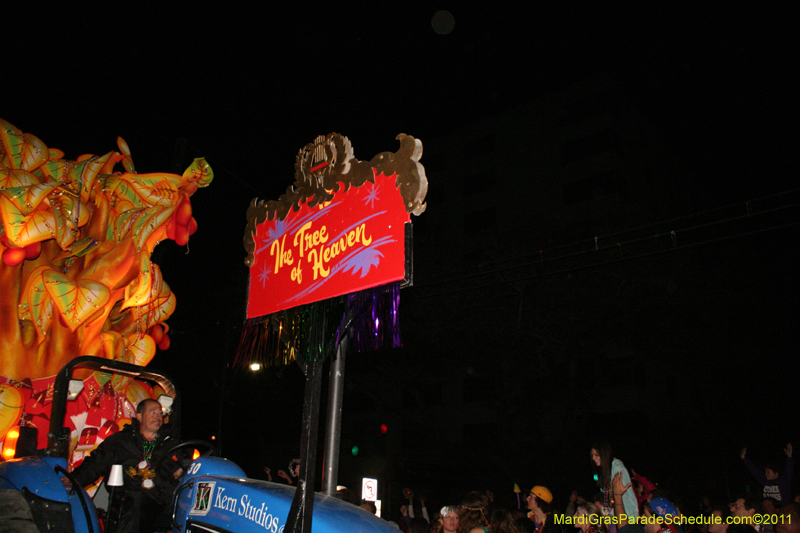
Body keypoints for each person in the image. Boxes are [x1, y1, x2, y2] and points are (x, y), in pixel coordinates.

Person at [68, 398, 183, 533]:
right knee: (137, 505)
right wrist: (73, 479)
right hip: (131, 496)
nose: (158, 417)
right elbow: (95, 463)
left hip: (164, 498)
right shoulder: (120, 441)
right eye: (152, 412)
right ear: (139, 416)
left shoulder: (172, 444)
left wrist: (182, 470)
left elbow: (186, 466)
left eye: (160, 413)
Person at [592, 442, 639, 519]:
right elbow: (605, 498)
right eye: (592, 455)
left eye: (596, 455)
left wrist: (629, 518)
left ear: (604, 455)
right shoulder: (604, 472)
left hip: (626, 516)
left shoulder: (617, 468)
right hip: (613, 515)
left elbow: (626, 496)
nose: (593, 458)